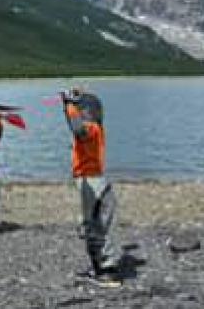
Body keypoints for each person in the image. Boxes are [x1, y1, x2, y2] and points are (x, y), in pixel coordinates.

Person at [61, 88, 122, 288]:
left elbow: (77, 128)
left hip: (93, 180)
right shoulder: (92, 127)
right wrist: (67, 106)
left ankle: (104, 268)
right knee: (96, 224)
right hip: (91, 180)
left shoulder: (93, 128)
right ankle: (102, 269)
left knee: (96, 223)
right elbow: (76, 128)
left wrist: (69, 105)